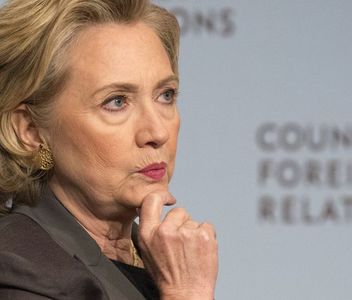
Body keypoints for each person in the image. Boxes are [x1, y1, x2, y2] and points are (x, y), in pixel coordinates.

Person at [0, 0, 218, 299]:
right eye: (116, 102)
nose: (157, 132)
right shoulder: (21, 271)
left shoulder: (158, 259)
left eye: (165, 95)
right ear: (30, 131)